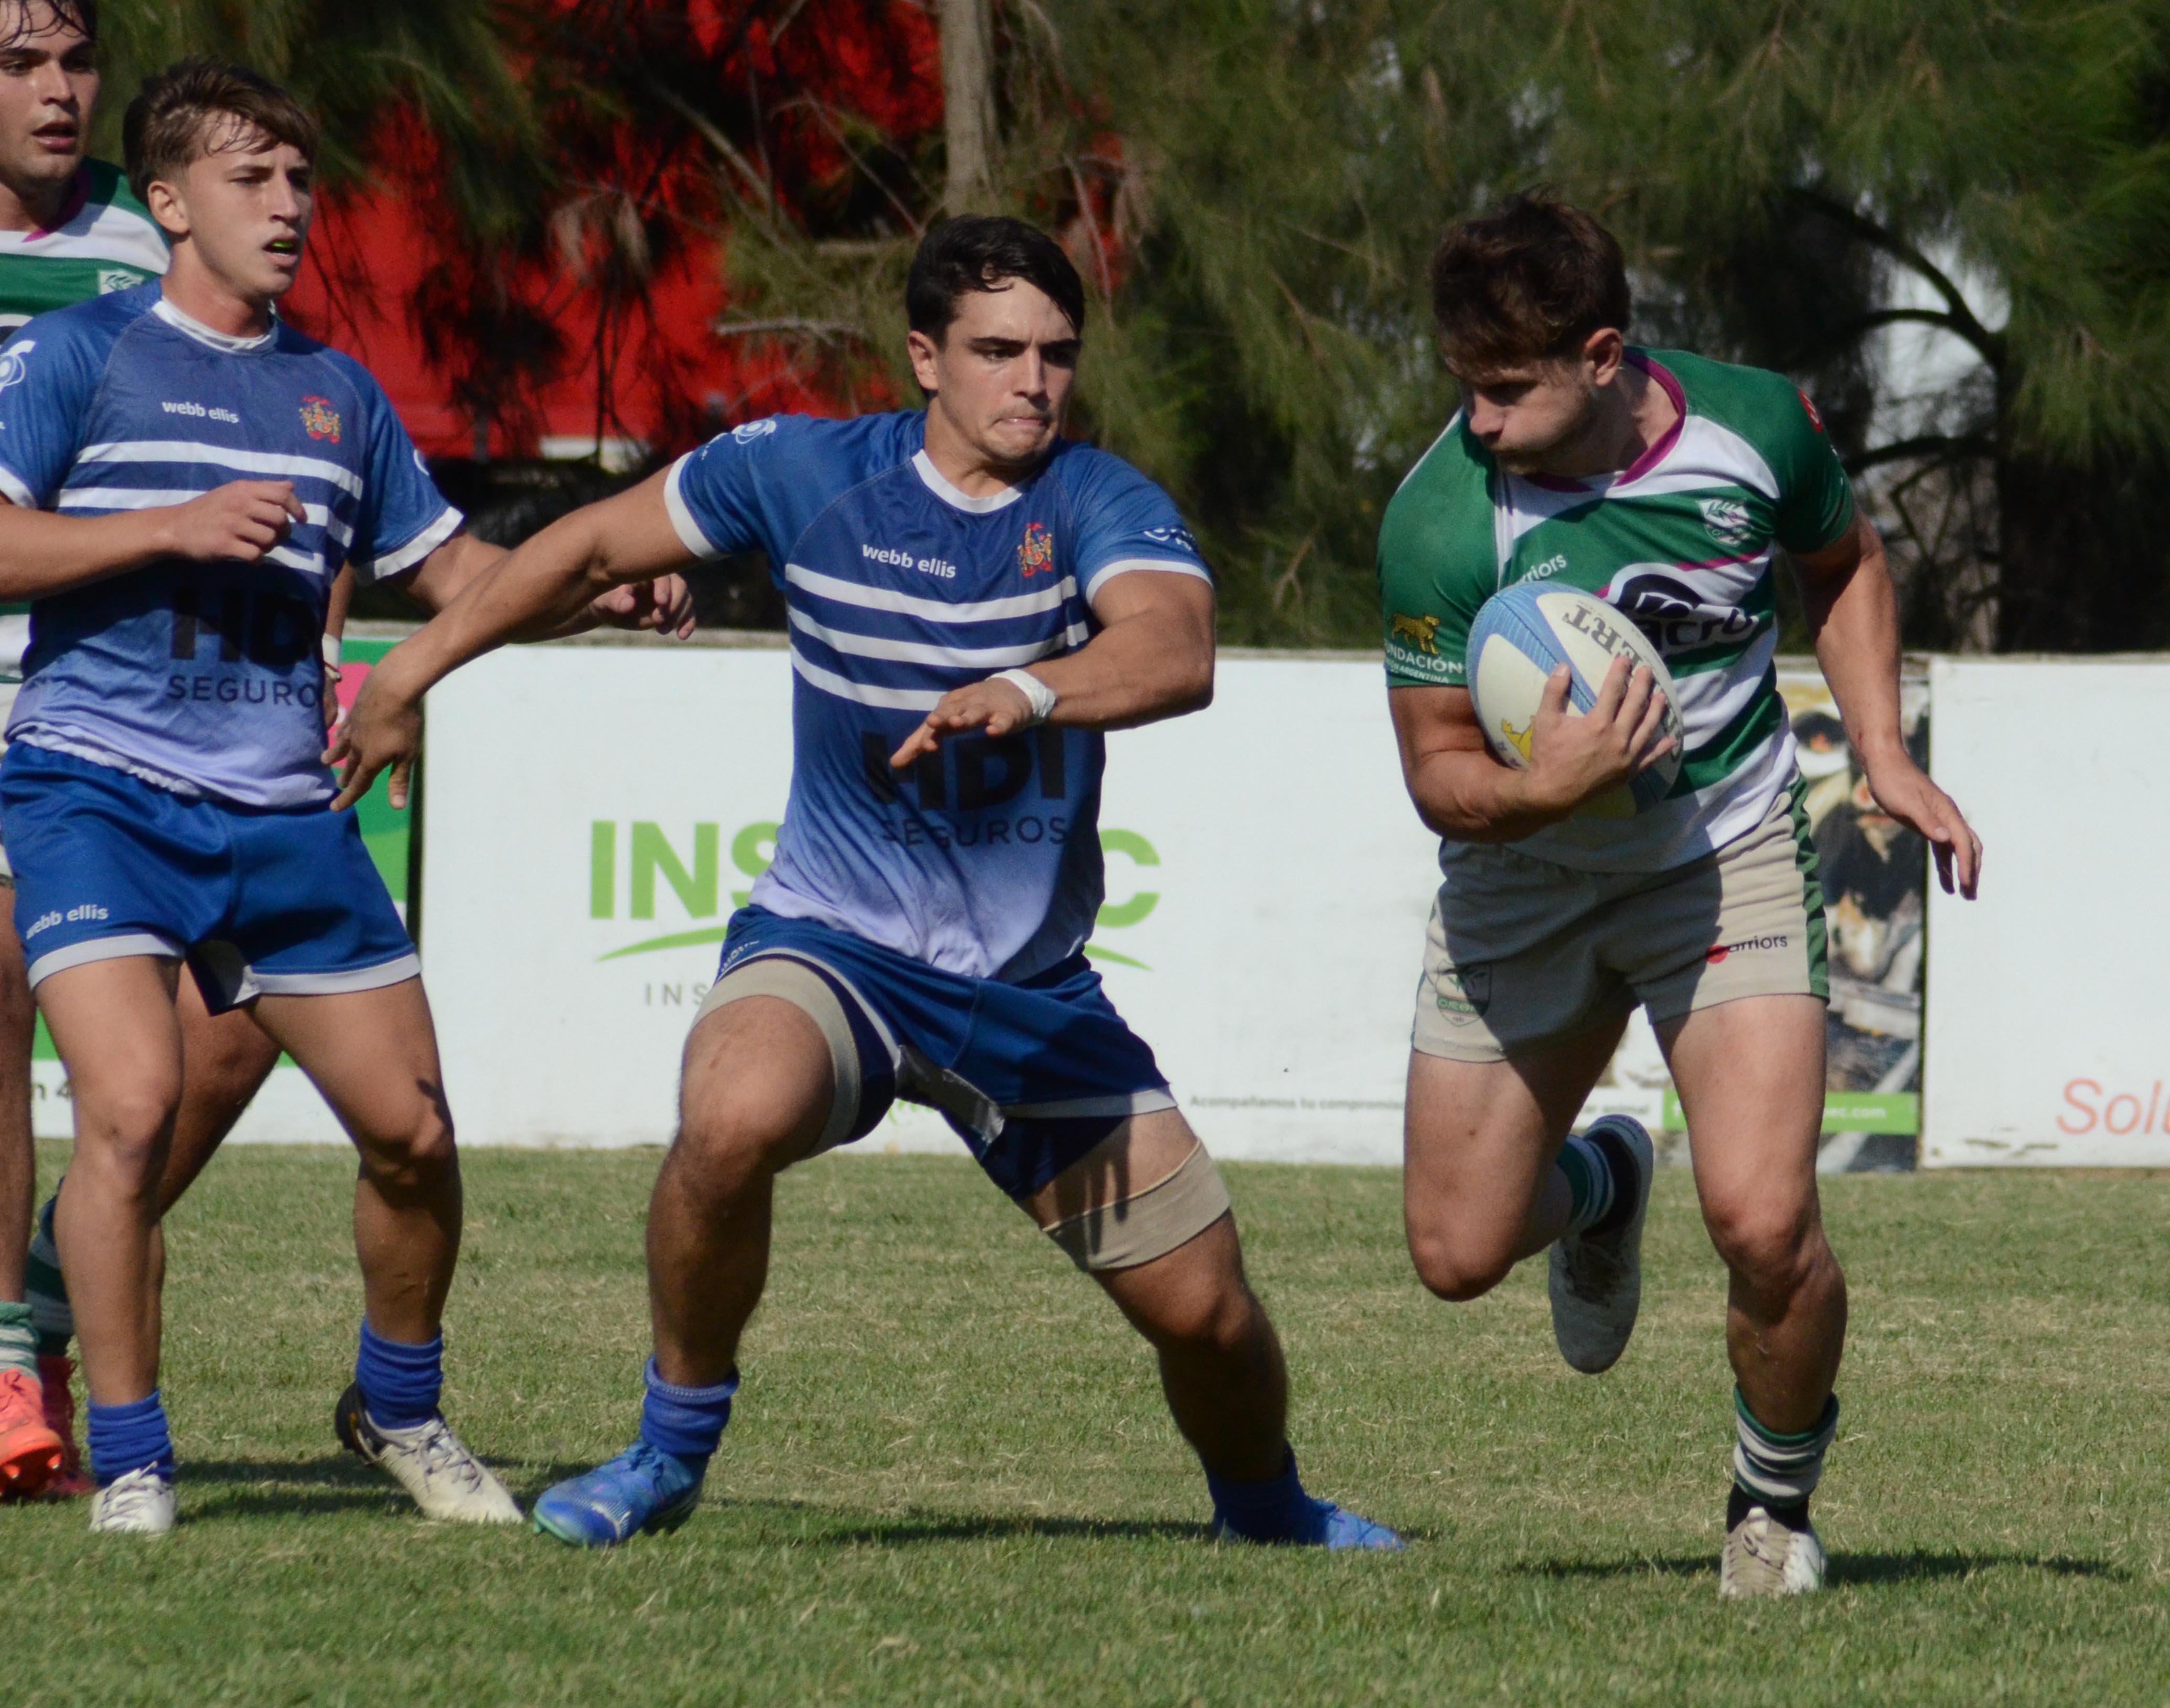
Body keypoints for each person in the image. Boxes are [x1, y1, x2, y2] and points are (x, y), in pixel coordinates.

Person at [330, 216, 1399, 1553]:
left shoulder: (1098, 499)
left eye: (1057, 354)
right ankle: (668, 1451)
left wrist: (1029, 689)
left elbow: (1176, 650)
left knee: (1209, 1313)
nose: (1034, 382)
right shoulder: (801, 471)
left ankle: (1268, 1512)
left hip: (1026, 992)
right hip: (834, 947)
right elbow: (592, 549)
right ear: (924, 358)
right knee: (729, 1116)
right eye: (998, 351)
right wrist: (409, 672)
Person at [0, 60, 690, 1533]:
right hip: (96, 793)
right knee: (129, 1111)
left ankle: (398, 1407)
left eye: (301, 182)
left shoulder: (337, 393)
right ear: (168, 201)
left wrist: (599, 589)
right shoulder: (78, 356)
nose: (289, 207)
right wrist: (169, 527)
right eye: (251, 180)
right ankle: (133, 1457)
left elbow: (458, 577)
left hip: (283, 814)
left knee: (414, 1135)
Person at [1375, 194, 1983, 1596]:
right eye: (1462, 385)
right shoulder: (1442, 520)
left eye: (1506, 390)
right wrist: (1549, 788)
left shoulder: (1757, 426)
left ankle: (1771, 1507)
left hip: (1722, 856)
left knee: (1766, 1224)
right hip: (1521, 879)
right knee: (1456, 1254)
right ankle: (1602, 1184)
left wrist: (1882, 753)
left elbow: (1845, 563)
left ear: (1602, 356)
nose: (1477, 420)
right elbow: (1437, 773)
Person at [0, 0, 301, 1501]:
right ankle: (13, 1366)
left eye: (76, 61)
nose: (58, 91)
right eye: (19, 64)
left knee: (247, 1021)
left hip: (149, 692)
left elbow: (290, 425)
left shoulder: (160, 225)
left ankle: (50, 1291)